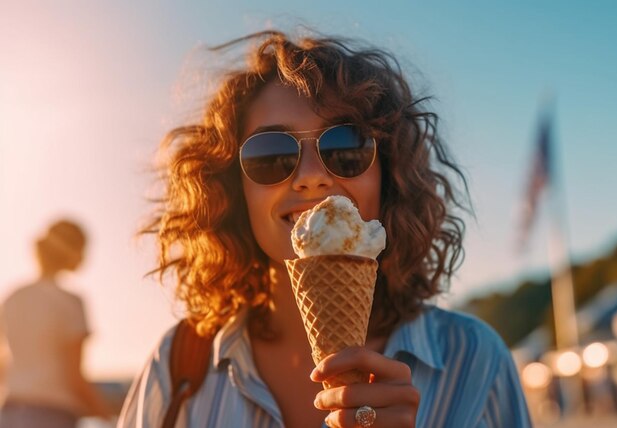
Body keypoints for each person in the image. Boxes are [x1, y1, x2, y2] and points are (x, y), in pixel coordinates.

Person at [118, 31, 531, 427]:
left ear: (389, 177)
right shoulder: (178, 365)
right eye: (271, 154)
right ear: (232, 188)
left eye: (346, 147)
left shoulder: (474, 361)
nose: (311, 176)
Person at [0, 220, 112, 427]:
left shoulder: (12, 298)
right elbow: (75, 378)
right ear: (72, 252)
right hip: (52, 416)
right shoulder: (70, 302)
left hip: (8, 414)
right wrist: (111, 419)